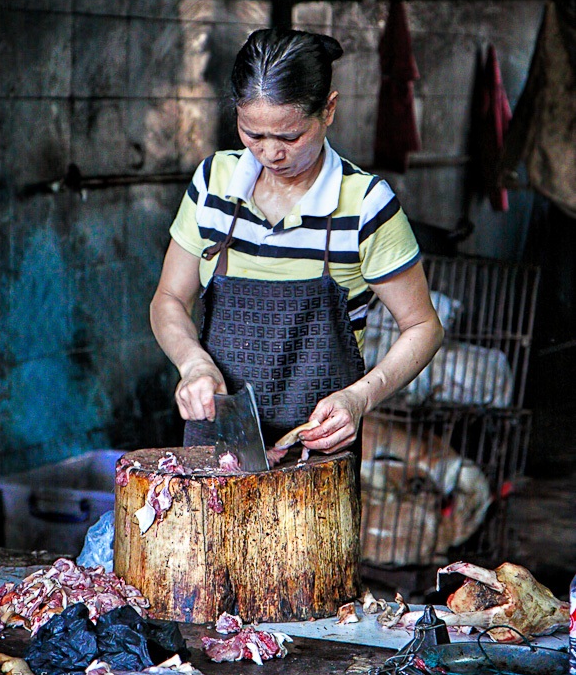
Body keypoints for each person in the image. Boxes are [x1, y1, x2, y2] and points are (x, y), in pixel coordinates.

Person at [150, 29, 444, 458]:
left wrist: (358, 400)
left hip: (320, 461)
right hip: (219, 451)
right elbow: (169, 299)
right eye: (252, 134)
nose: (270, 154)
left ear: (328, 110)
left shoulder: (365, 204)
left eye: (289, 137)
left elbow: (424, 328)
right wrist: (193, 364)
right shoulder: (213, 182)